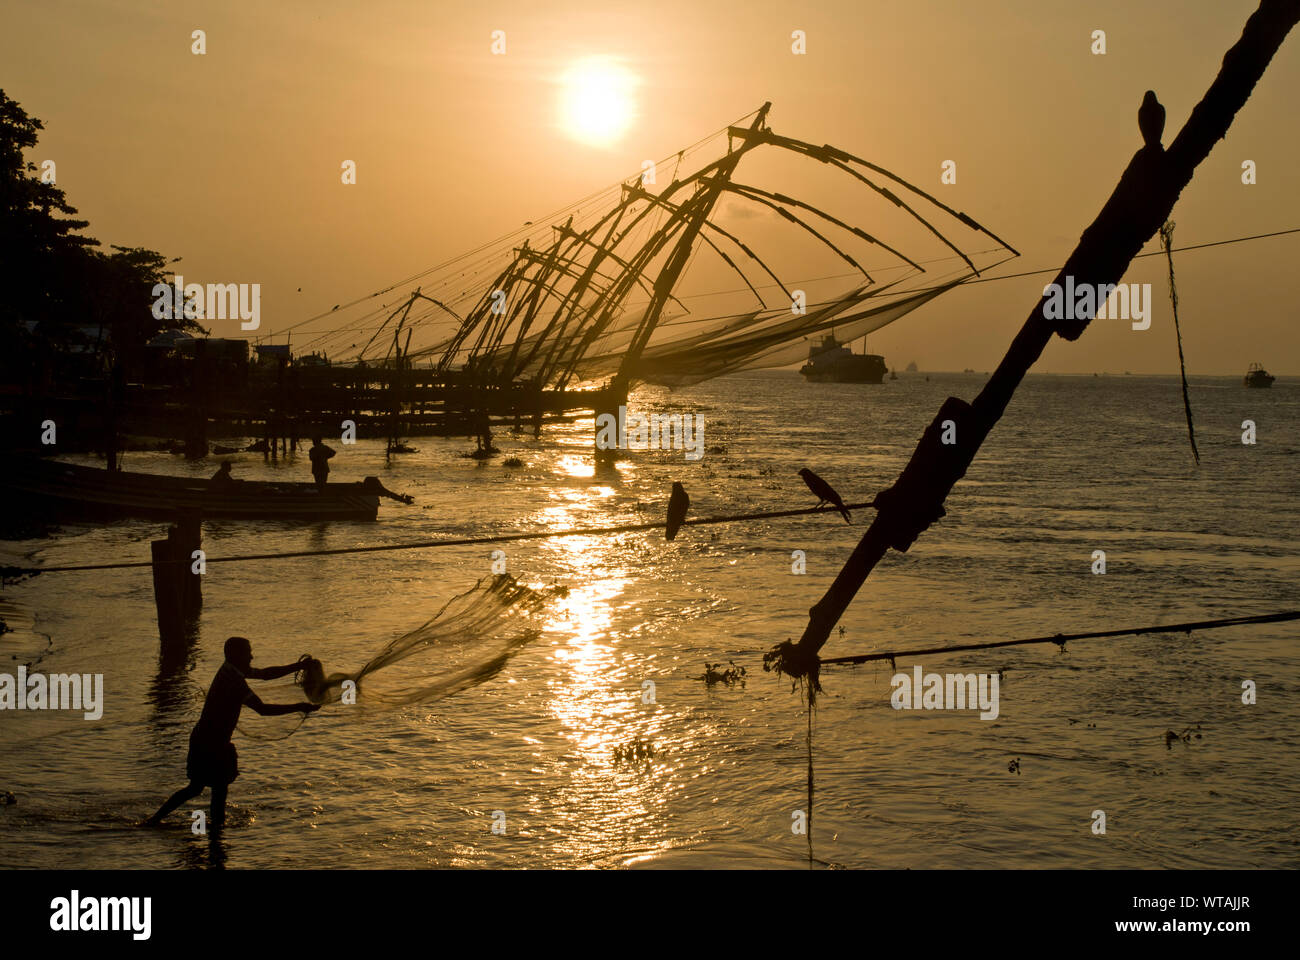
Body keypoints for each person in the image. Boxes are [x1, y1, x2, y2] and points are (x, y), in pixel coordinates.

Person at [144, 637, 319, 831]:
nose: (252, 656)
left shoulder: (231, 669)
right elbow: (262, 709)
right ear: (235, 655)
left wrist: (298, 666)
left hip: (210, 740)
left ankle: (164, 823)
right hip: (209, 743)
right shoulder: (233, 680)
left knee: (200, 788)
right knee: (211, 789)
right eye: (248, 653)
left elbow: (265, 674)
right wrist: (300, 707)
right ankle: (213, 831)